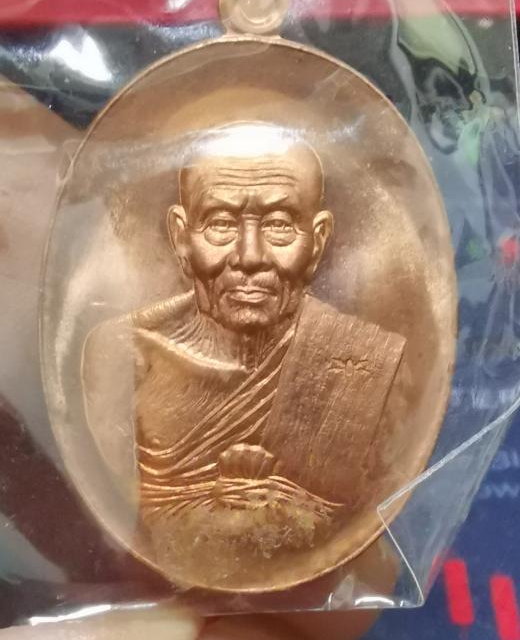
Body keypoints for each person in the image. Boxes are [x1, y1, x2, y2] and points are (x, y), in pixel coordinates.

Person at [82, 123, 405, 581]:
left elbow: (345, 507)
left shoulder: (362, 362)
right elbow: (130, 507)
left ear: (317, 240)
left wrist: (285, 507)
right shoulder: (124, 354)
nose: (250, 256)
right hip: (149, 580)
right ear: (181, 236)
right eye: (220, 223)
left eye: (278, 224)